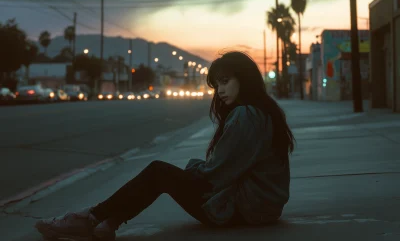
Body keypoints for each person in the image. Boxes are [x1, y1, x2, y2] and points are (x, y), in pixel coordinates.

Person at [35, 51, 296, 241]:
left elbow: (217, 174)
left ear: (244, 79)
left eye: (226, 81)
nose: (220, 91)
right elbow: (227, 168)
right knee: (170, 175)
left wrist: (189, 172)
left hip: (244, 210)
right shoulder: (264, 111)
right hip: (261, 208)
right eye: (217, 85)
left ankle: (89, 218)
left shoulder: (246, 115)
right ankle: (109, 221)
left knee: (160, 172)